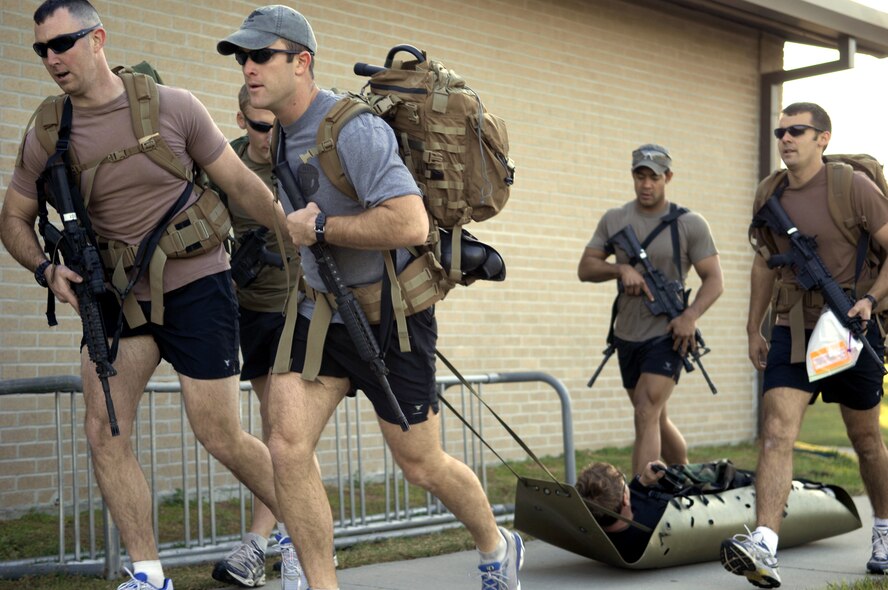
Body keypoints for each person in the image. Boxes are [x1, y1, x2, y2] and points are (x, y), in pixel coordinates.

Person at [216, 6, 524, 590]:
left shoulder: (352, 129)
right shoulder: (279, 133)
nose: (249, 67)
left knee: (420, 464)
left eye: (261, 55)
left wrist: (322, 230)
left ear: (301, 62)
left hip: (391, 319)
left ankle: (496, 544)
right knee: (285, 444)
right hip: (319, 312)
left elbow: (408, 223)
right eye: (242, 57)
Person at [0, 2, 287, 589]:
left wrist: (296, 236)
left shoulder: (173, 107)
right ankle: (149, 572)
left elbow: (238, 182)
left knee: (218, 433)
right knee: (106, 427)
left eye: (65, 43)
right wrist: (44, 271)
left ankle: (306, 534)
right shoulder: (49, 129)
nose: (53, 58)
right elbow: (14, 215)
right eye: (42, 49)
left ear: (99, 38)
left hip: (196, 283)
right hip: (114, 294)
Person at [721, 102, 888, 588]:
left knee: (866, 440)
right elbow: (762, 264)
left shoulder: (851, 187)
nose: (786, 139)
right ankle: (765, 544)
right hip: (792, 328)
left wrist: (871, 301)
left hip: (852, 328)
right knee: (776, 430)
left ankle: (883, 529)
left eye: (797, 130)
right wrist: (753, 327)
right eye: (780, 131)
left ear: (823, 138)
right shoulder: (769, 194)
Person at [208, 86, 311, 590]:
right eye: (259, 127)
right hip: (249, 311)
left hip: (301, 311)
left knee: (286, 434)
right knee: (276, 435)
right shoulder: (225, 163)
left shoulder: (303, 160)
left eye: (278, 126)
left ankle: (281, 546)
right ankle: (274, 541)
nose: (271, 137)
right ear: (241, 120)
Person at [577, 144, 724, 476]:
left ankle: (643, 500)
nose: (646, 184)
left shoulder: (690, 224)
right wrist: (620, 269)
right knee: (655, 415)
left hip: (668, 333)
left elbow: (714, 280)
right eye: (639, 176)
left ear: (668, 177)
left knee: (645, 411)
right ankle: (683, 473)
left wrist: (690, 317)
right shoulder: (615, 219)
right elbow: (585, 268)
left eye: (653, 177)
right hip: (626, 334)